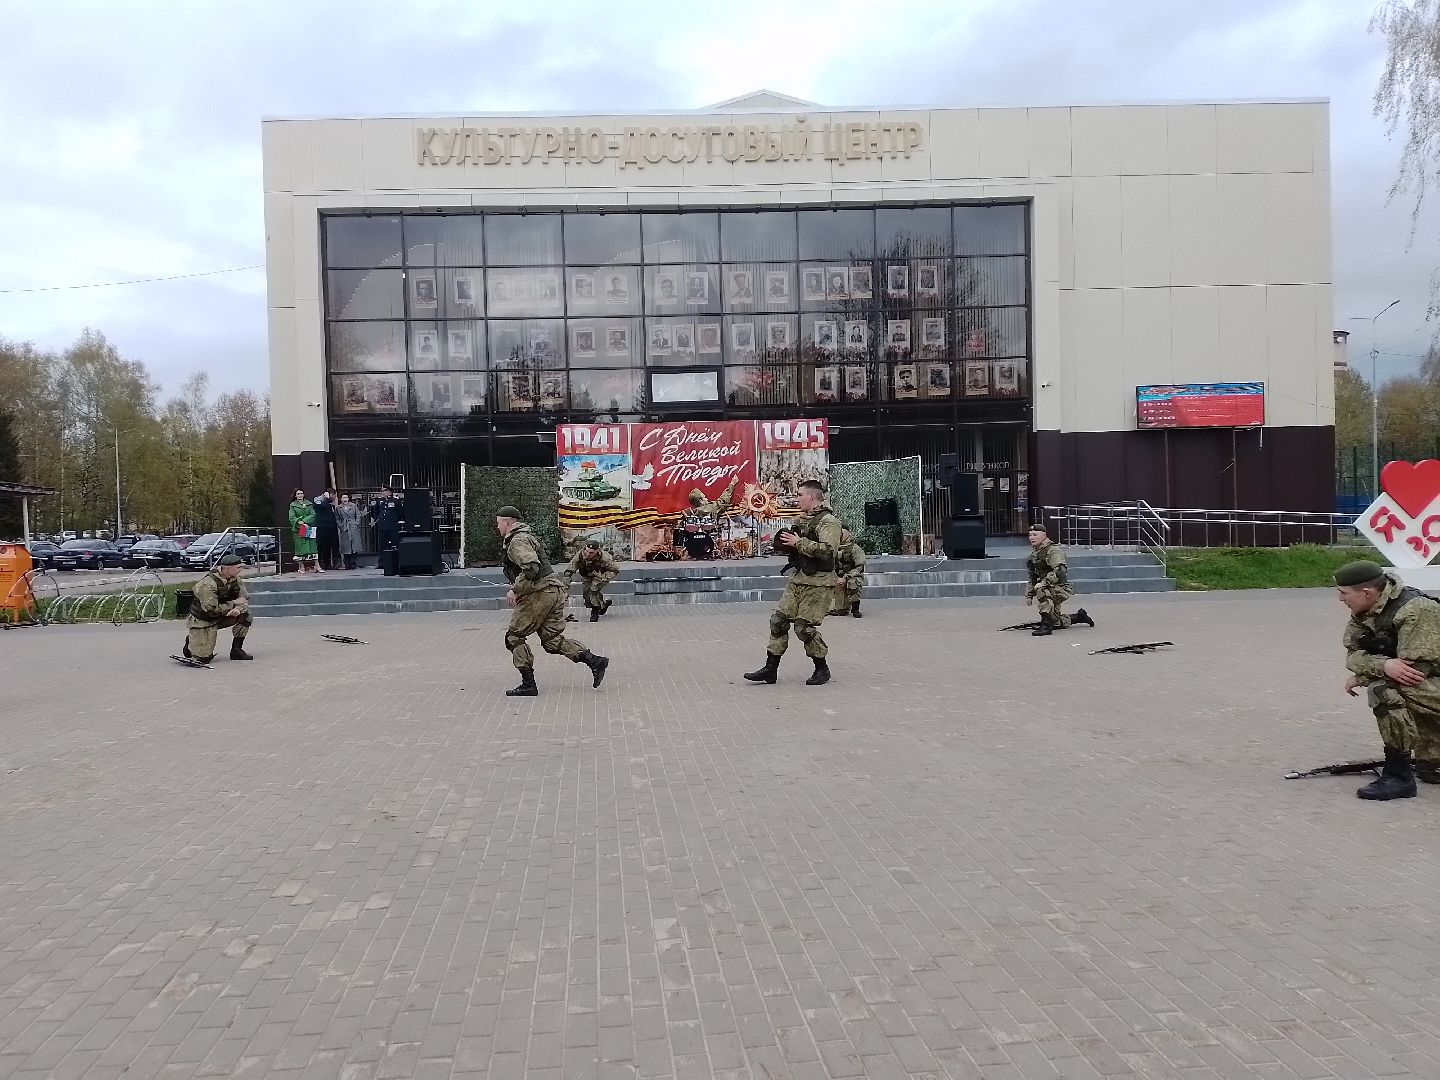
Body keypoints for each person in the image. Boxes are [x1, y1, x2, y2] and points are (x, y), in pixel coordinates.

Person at [1336, 560, 1440, 800]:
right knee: (1431, 770)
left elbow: (1413, 670)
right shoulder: (1364, 612)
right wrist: (1382, 665)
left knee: (1385, 690)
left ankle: (1399, 777)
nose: (1341, 599)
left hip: (1427, 677)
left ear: (1367, 592)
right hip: (1429, 684)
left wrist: (1366, 675)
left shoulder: (1416, 609)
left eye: (1344, 593)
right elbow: (1352, 655)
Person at [496, 506, 610, 697]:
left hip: (540, 594)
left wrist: (515, 590)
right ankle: (595, 661)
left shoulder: (518, 540)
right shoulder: (526, 536)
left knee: (514, 637)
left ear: (507, 522)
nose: (497, 526)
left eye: (498, 522)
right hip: (553, 591)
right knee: (552, 641)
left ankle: (528, 685)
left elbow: (531, 568)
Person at [744, 479, 843, 686]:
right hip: (799, 578)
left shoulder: (829, 522)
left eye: (799, 495)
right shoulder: (801, 520)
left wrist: (799, 542)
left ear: (812, 497)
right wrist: (786, 545)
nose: (797, 499)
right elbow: (794, 545)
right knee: (778, 621)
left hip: (819, 582)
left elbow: (828, 551)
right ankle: (770, 669)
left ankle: (821, 669)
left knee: (803, 628)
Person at [180, 554, 252, 665]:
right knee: (203, 659)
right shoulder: (208, 584)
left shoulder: (235, 580)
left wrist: (238, 609)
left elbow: (244, 598)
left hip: (221, 615)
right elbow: (211, 609)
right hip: (203, 620)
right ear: (228, 568)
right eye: (238, 567)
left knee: (246, 616)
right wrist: (233, 604)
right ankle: (190, 642)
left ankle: (236, 651)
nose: (240, 570)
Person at [1024, 522, 1093, 636]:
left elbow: (1060, 570)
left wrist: (1044, 583)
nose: (1031, 538)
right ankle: (1079, 617)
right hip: (1048, 586)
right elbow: (1033, 576)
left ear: (1044, 535)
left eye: (1035, 535)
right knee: (1056, 622)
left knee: (1041, 591)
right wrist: (1029, 595)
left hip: (1060, 587)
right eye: (1030, 535)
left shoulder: (1053, 550)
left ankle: (1046, 625)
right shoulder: (1033, 555)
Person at [679, 477, 740, 560]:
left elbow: (680, 529)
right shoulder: (710, 508)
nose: (707, 498)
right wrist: (732, 484)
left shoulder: (687, 512)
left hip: (691, 543)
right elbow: (723, 500)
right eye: (704, 497)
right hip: (709, 536)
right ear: (700, 501)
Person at [565, 539, 621, 621]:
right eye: (587, 551)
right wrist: (566, 582)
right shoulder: (580, 554)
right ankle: (603, 605)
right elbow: (571, 567)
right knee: (586, 597)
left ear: (597, 551)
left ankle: (594, 612)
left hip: (599, 577)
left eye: (591, 553)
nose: (588, 554)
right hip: (586, 576)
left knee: (593, 590)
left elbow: (616, 570)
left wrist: (602, 576)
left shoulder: (604, 558)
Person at [831, 529, 867, 618]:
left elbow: (859, 567)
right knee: (841, 611)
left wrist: (846, 577)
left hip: (850, 576)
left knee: (854, 582)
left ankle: (855, 609)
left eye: (842, 533)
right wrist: (835, 577)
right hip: (837, 577)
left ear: (848, 534)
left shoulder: (855, 548)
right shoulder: (832, 547)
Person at [289, 488, 319, 573]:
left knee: (313, 546)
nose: (300, 495)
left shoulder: (309, 504)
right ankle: (301, 567)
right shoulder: (293, 505)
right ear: (295, 495)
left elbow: (313, 514)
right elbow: (292, 517)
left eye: (301, 493)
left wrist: (305, 522)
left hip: (308, 527)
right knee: (300, 548)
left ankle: (317, 566)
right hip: (299, 529)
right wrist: (300, 523)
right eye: (298, 494)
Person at [313, 489, 339, 570]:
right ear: (329, 494)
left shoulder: (330, 503)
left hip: (330, 527)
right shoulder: (318, 499)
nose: (334, 498)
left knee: (328, 546)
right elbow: (322, 506)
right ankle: (318, 563)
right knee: (320, 545)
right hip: (321, 527)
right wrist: (326, 498)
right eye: (334, 496)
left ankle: (327, 563)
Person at [336, 493, 363, 570]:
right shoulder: (338, 507)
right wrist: (340, 525)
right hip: (344, 527)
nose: (345, 499)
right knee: (345, 546)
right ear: (341, 499)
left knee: (354, 545)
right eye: (343, 497)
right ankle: (347, 564)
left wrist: (356, 523)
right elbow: (337, 517)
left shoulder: (353, 506)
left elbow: (358, 515)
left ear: (348, 499)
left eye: (346, 497)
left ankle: (353, 563)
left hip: (353, 527)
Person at [373, 486, 402, 552]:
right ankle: (382, 561)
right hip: (382, 526)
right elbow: (376, 512)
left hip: (392, 525)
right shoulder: (379, 501)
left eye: (384, 491)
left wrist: (395, 520)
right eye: (381, 491)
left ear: (389, 492)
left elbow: (400, 512)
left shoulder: (395, 501)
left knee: (395, 544)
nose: (382, 492)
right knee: (382, 545)